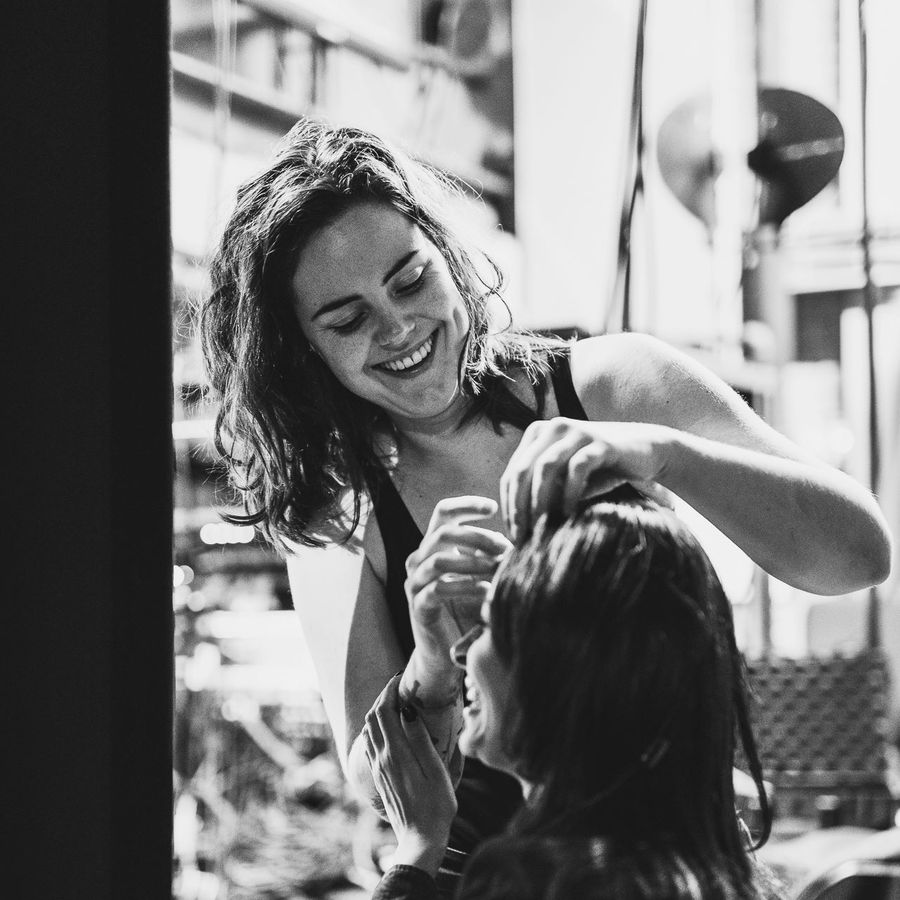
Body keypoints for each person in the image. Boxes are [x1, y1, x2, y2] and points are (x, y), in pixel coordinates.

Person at [198, 117, 891, 864]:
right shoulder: (341, 505)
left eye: (411, 280)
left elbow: (856, 555)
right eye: (349, 320)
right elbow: (377, 781)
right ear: (304, 349)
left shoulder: (613, 385)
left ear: (447, 256)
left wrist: (664, 454)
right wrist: (431, 667)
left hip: (667, 868)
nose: (398, 328)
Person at [364, 489, 782, 900]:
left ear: (565, 665)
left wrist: (417, 851)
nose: (460, 652)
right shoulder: (719, 873)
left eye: (488, 623)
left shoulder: (539, 883)